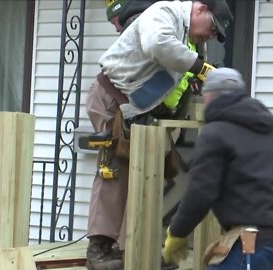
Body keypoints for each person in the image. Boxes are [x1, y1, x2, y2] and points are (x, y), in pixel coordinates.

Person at [85, 1, 233, 269]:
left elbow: (178, 76)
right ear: (199, 9)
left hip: (140, 109)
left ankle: (135, 249)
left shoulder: (192, 40)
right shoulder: (165, 13)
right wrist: (199, 67)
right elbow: (159, 45)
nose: (210, 35)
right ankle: (99, 251)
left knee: (147, 172)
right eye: (212, 27)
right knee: (115, 167)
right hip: (112, 97)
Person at [163, 68, 273, 269]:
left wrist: (177, 232)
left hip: (251, 246)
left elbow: (200, 193)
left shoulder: (215, 133)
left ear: (210, 96)